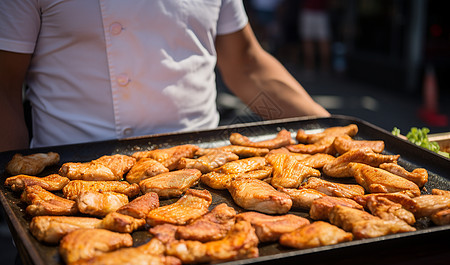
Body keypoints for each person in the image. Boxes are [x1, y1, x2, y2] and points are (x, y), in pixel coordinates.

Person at [0, 0, 329, 153]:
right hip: (71, 177)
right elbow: (4, 88)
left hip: (204, 175)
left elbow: (247, 65)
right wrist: (12, 193)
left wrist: (331, 130)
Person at [298, 0, 332, 74]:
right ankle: (323, 68)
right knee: (318, 40)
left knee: (311, 40)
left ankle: (311, 68)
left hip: (314, 11)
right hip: (319, 12)